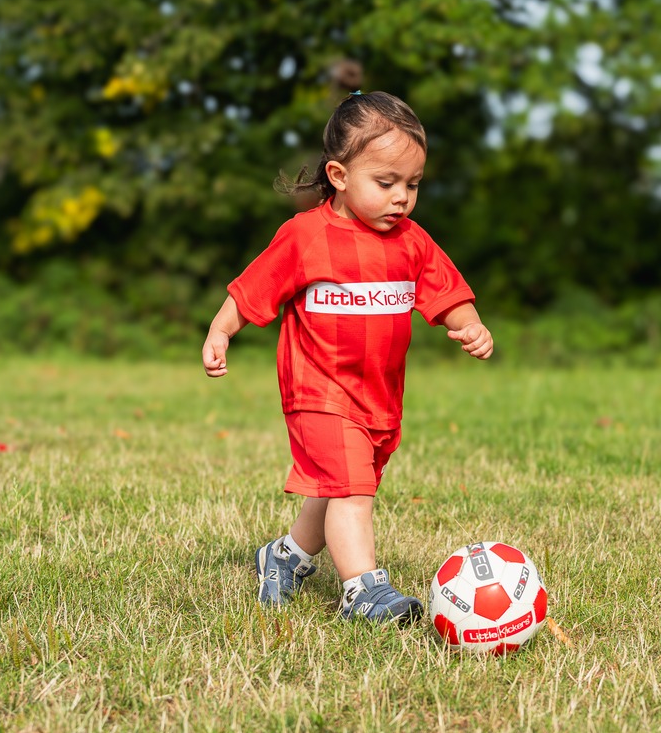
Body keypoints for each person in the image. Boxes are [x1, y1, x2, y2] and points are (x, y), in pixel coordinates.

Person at [202, 90, 493, 623]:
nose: (401, 197)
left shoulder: (411, 242)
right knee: (353, 489)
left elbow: (448, 294)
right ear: (338, 175)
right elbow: (251, 291)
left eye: (413, 184)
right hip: (318, 391)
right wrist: (221, 331)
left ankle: (284, 556)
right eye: (385, 183)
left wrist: (471, 326)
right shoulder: (305, 237)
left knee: (339, 487)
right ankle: (363, 590)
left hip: (379, 397)